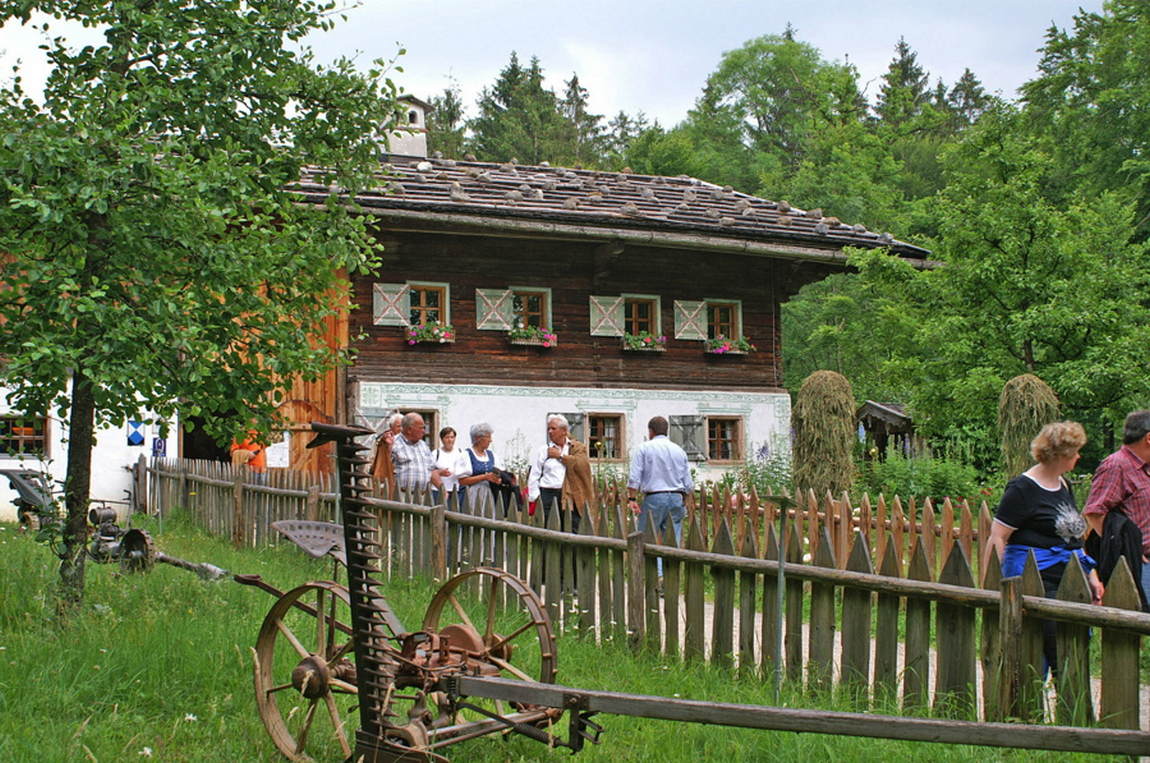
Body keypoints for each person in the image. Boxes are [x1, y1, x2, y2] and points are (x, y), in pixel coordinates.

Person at [987, 421, 1104, 674]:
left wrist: (1091, 576)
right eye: (1074, 452)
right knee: (1051, 647)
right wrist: (997, 582)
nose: (1079, 457)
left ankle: (1067, 707)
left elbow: (1073, 539)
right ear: (1059, 455)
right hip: (1035, 577)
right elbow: (998, 536)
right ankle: (1033, 708)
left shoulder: (1065, 485)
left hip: (1069, 575)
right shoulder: (1022, 488)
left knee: (1072, 643)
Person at [1084, 409, 1150, 604]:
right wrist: (1125, 547)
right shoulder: (1116, 465)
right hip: (1141, 563)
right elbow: (1095, 512)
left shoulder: (1145, 467)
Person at [627, 416, 694, 546]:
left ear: (651, 431)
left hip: (655, 497)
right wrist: (685, 500)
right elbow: (688, 484)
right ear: (666, 431)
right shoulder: (679, 451)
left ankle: (652, 567)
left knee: (646, 539)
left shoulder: (644, 448)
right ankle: (667, 566)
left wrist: (632, 499)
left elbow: (634, 477)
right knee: (672, 540)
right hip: (676, 497)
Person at [527, 414, 594, 532]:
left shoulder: (576, 448)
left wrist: (560, 456)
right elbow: (534, 475)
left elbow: (581, 465)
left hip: (570, 494)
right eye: (548, 428)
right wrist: (536, 497)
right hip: (547, 494)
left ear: (564, 431)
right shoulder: (544, 450)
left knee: (571, 528)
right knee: (548, 529)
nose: (550, 431)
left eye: (553, 428)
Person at [457, 422, 503, 511]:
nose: (491, 440)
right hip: (471, 494)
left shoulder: (492, 455)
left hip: (488, 494)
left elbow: (499, 475)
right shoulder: (466, 455)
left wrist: (497, 480)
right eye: (488, 437)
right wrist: (485, 477)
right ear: (478, 438)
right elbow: (462, 481)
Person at [390, 412, 436, 495]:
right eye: (421, 428)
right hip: (401, 495)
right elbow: (384, 471)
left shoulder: (423, 445)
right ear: (409, 430)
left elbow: (431, 470)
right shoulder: (393, 443)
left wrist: (441, 487)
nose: (424, 431)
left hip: (423, 495)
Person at [370, 412, 404, 495]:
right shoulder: (383, 440)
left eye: (403, 426)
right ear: (391, 427)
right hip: (388, 478)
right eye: (398, 426)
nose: (401, 429)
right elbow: (374, 460)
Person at [431, 426, 464, 505]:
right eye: (447, 437)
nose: (450, 440)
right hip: (438, 490)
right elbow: (429, 471)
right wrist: (440, 472)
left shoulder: (461, 452)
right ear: (442, 439)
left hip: (456, 490)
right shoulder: (436, 453)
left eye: (452, 437)